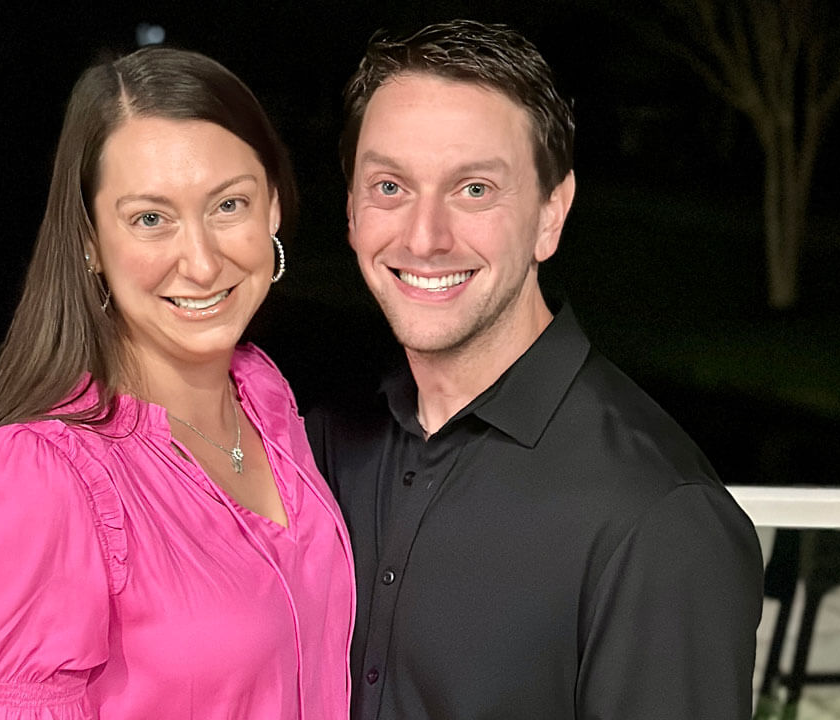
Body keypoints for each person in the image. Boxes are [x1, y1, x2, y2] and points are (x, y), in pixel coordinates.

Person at [308, 19, 764, 719]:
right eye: (391, 186)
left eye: (475, 190)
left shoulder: (658, 520)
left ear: (551, 213)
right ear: (351, 210)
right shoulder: (323, 448)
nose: (424, 237)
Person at [0, 46, 354, 719]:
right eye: (151, 219)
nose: (201, 262)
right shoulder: (39, 477)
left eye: (228, 204)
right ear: (88, 239)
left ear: (272, 208)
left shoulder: (263, 396)